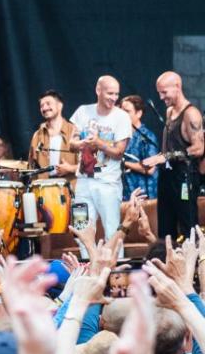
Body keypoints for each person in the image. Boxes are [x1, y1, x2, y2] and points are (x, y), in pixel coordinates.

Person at [69, 75, 131, 251]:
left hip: (108, 183)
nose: (114, 98)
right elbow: (71, 143)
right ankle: (88, 271)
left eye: (116, 94)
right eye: (110, 93)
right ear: (98, 91)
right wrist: (81, 144)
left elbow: (119, 152)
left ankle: (114, 275)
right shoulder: (83, 111)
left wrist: (98, 143)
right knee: (81, 230)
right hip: (83, 182)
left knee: (112, 232)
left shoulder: (122, 117)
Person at [143, 71, 204, 239]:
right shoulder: (170, 111)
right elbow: (168, 144)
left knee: (188, 225)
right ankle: (167, 261)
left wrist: (168, 156)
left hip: (185, 177)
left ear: (177, 87)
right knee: (166, 226)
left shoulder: (191, 114)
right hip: (167, 175)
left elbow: (199, 148)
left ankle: (196, 263)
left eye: (164, 92)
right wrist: (159, 158)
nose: (161, 97)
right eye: (159, 93)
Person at [27, 90, 79, 182]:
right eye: (41, 106)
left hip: (70, 189)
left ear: (60, 106)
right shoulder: (37, 135)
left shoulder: (74, 131)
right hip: (44, 190)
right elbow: (31, 168)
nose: (44, 108)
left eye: (48, 103)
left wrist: (70, 168)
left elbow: (90, 167)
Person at [119, 95, 159, 201]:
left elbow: (150, 169)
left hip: (144, 195)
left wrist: (124, 163)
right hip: (124, 195)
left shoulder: (147, 137)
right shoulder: (119, 136)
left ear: (139, 113)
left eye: (127, 111)